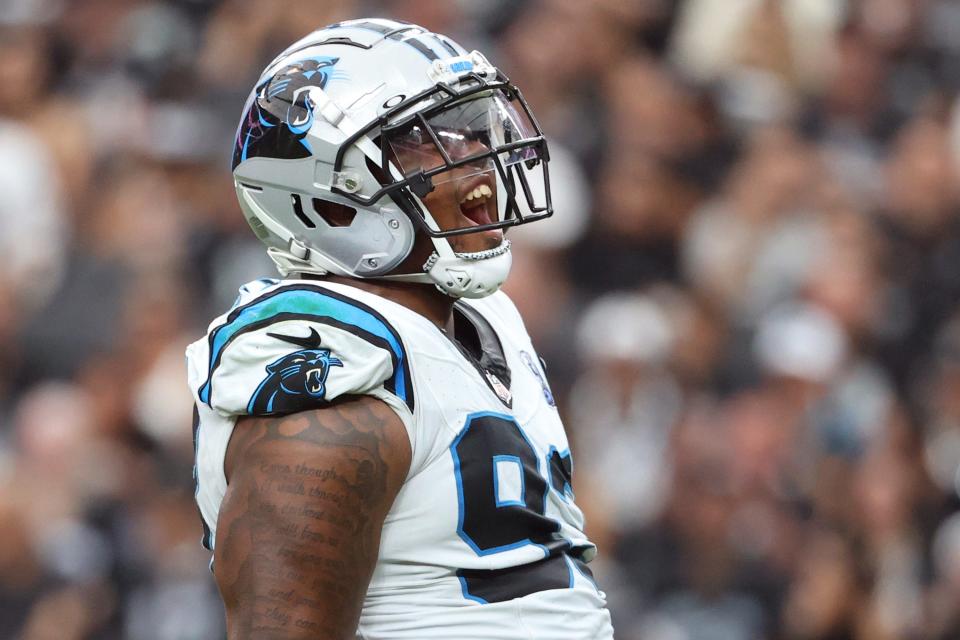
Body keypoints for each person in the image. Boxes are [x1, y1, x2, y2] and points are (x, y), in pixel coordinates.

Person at [185, 18, 614, 639]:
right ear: (331, 198)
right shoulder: (329, 355)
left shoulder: (486, 315)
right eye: (427, 140)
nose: (477, 156)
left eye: (471, 128)